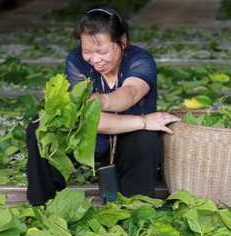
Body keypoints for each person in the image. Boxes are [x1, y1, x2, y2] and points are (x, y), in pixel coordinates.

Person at [26, 6, 180, 205]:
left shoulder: (140, 60)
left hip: (129, 141)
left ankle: (135, 208)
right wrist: (143, 121)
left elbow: (130, 93)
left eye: (102, 51)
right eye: (87, 51)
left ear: (122, 43)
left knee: (146, 140)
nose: (95, 59)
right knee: (39, 127)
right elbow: (88, 121)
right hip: (88, 142)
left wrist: (100, 100)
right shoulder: (76, 62)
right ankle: (44, 203)